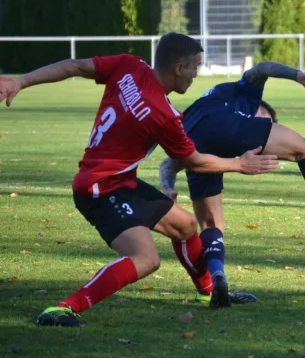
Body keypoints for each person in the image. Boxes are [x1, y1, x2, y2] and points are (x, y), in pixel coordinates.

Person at [0, 33, 279, 326]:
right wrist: (240, 163)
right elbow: (194, 160)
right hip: (99, 189)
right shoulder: (162, 114)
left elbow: (74, 66)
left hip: (119, 181)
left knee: (184, 225)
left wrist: (21, 81)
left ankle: (209, 293)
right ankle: (63, 309)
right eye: (195, 68)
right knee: (146, 259)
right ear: (179, 68)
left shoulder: (129, 66)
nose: (196, 75)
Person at [158, 61, 305, 304]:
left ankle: (218, 279)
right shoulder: (246, 93)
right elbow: (262, 68)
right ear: (260, 110)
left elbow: (168, 165)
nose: (269, 127)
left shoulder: (199, 110)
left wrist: (168, 188)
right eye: (268, 121)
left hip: (195, 141)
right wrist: (299, 76)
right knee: (304, 148)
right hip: (224, 125)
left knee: (212, 223)